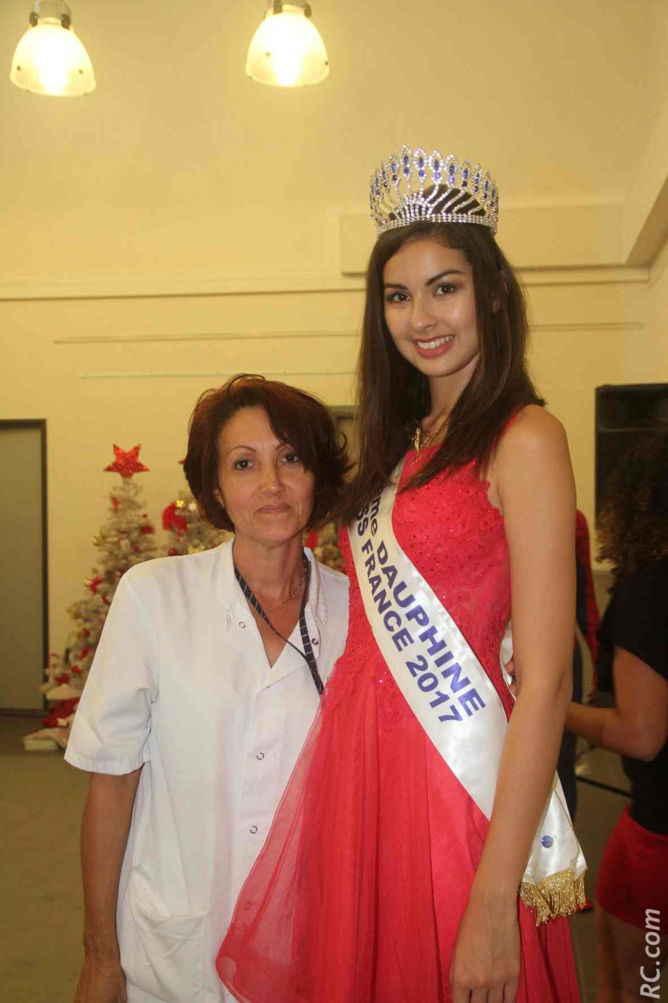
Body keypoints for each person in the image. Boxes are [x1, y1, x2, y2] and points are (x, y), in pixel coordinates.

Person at [217, 148, 584, 1003]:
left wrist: (496, 897)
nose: (420, 315)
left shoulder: (525, 436)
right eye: (397, 293)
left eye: (444, 286)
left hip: (453, 785)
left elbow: (549, 676)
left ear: (491, 290)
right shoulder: (402, 446)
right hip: (362, 776)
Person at [65, 374, 350, 1003]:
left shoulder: (358, 613)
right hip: (176, 953)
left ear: (319, 477)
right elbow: (111, 782)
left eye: (291, 458)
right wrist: (99, 957)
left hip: (313, 944)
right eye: (244, 464)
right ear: (216, 488)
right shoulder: (154, 595)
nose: (271, 484)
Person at [565, 434, 668, 1003]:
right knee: (620, 959)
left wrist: (554, 707)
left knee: (636, 983)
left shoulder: (650, 593)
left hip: (660, 832)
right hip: (648, 823)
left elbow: (641, 734)